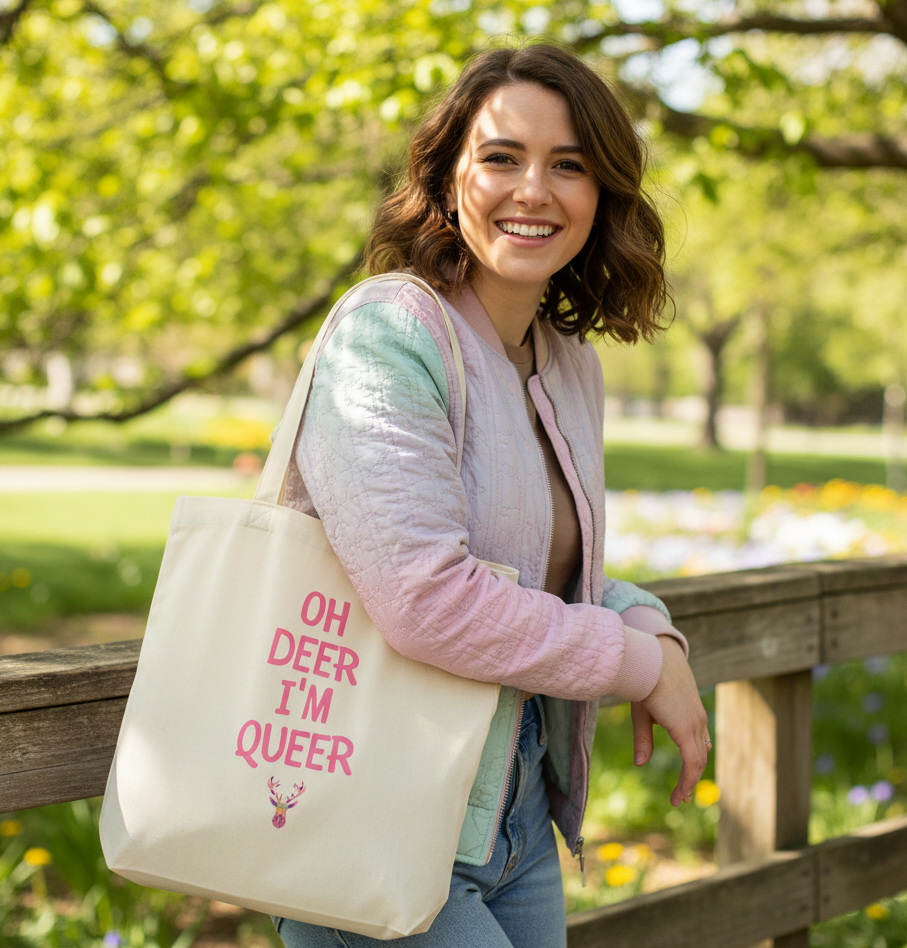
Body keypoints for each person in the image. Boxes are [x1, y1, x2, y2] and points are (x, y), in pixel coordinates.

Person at [275, 42, 709, 948]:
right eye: (501, 158)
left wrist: (650, 625)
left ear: (604, 196)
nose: (533, 191)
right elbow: (428, 600)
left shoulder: (569, 365)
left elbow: (538, 581)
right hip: (375, 808)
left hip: (513, 822)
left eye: (570, 166)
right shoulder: (389, 334)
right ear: (447, 180)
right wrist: (636, 665)